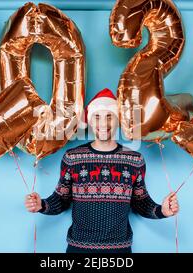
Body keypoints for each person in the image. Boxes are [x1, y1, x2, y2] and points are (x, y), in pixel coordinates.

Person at [24, 88, 179, 253]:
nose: (103, 124)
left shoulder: (135, 160)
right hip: (78, 249)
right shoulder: (72, 158)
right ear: (90, 121)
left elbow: (141, 203)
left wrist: (161, 210)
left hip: (119, 252)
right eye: (97, 117)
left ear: (118, 119)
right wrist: (42, 205)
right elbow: (61, 199)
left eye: (109, 116)